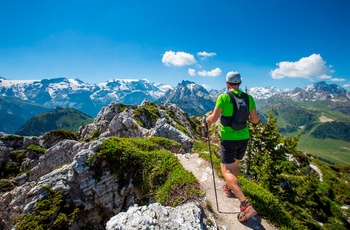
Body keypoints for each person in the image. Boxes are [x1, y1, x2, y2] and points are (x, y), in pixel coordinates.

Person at [205, 70, 259, 222]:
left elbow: (214, 118)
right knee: (234, 165)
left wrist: (206, 121)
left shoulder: (223, 97)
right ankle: (230, 187)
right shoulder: (249, 98)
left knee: (226, 170)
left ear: (227, 83)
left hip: (229, 138)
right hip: (244, 138)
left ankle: (245, 204)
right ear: (240, 83)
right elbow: (255, 120)